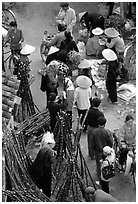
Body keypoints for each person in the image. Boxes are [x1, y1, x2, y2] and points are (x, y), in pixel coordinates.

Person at [30, 129, 55, 198]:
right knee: (46, 185)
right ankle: (46, 197)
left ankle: (41, 193)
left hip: (39, 169)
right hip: (45, 170)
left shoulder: (43, 148)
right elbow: (52, 161)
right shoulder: (50, 151)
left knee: (41, 183)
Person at [91, 117, 113, 187]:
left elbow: (92, 143)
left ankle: (100, 182)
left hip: (98, 152)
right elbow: (111, 142)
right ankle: (106, 180)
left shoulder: (94, 132)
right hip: (106, 152)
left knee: (99, 166)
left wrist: (93, 149)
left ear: (98, 123)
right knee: (106, 166)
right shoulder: (107, 132)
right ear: (105, 124)